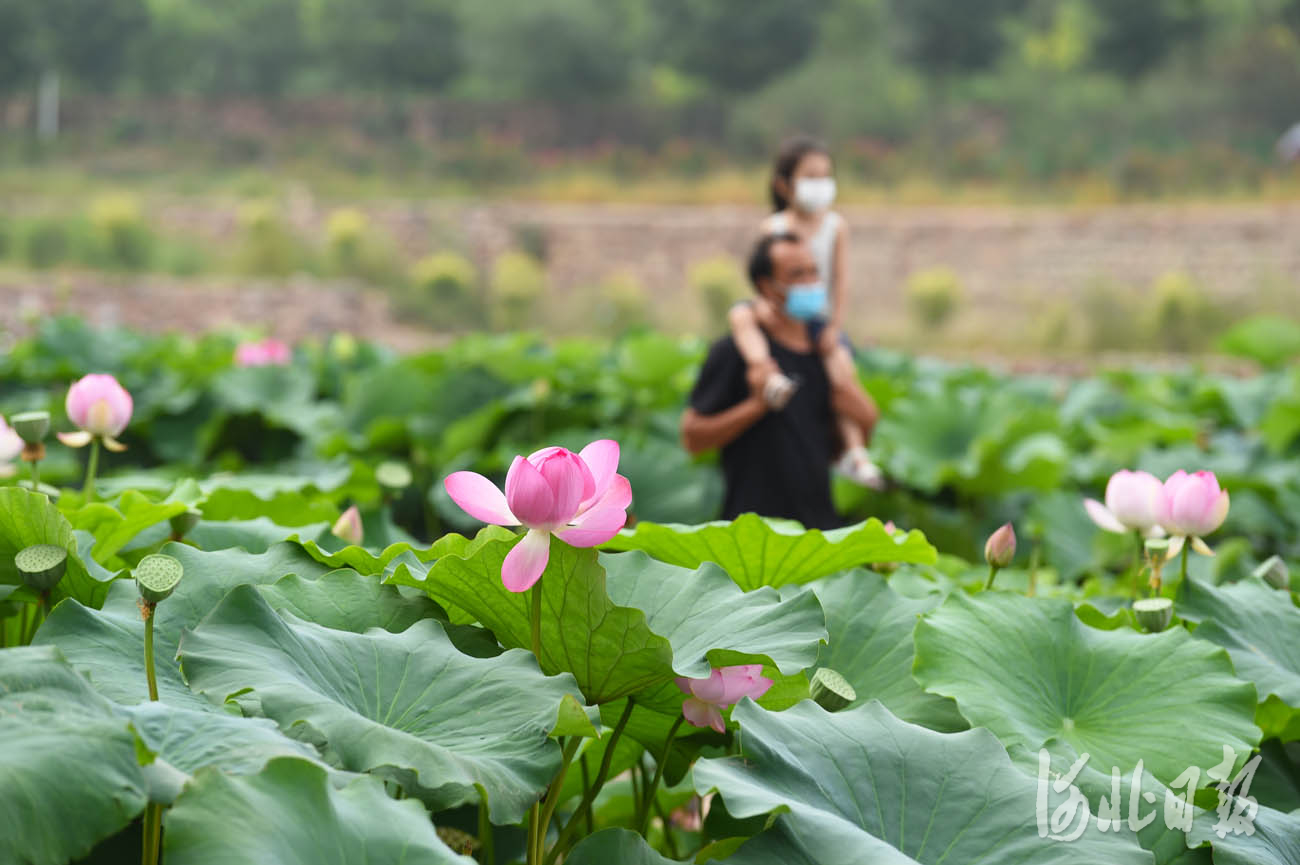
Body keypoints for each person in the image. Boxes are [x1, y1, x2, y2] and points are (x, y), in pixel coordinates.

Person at [681, 233, 879, 529]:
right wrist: (757, 406)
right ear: (766, 285)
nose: (811, 281)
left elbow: (842, 445)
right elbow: (692, 437)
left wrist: (859, 410)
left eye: (814, 271)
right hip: (751, 531)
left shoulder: (826, 351)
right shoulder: (735, 352)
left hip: (820, 531)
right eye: (797, 274)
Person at [726, 136, 883, 488]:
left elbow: (840, 281)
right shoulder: (774, 227)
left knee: (841, 376)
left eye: (825, 176)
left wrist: (833, 327)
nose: (820, 185)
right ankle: (766, 372)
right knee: (741, 316)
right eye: (810, 176)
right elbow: (760, 276)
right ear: (784, 185)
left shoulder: (835, 226)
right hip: (777, 312)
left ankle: (855, 454)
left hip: (817, 320)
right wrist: (765, 306)